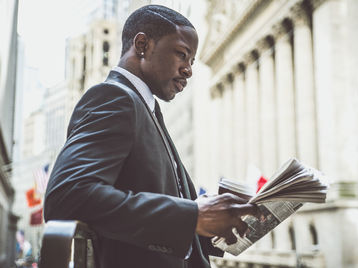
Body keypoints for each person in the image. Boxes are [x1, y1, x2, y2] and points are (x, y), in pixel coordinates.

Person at [44, 5, 258, 268]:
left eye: (191, 61)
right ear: (142, 45)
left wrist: (211, 217)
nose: (189, 70)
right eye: (182, 54)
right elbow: (68, 195)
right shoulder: (114, 98)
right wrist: (191, 215)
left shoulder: (147, 108)